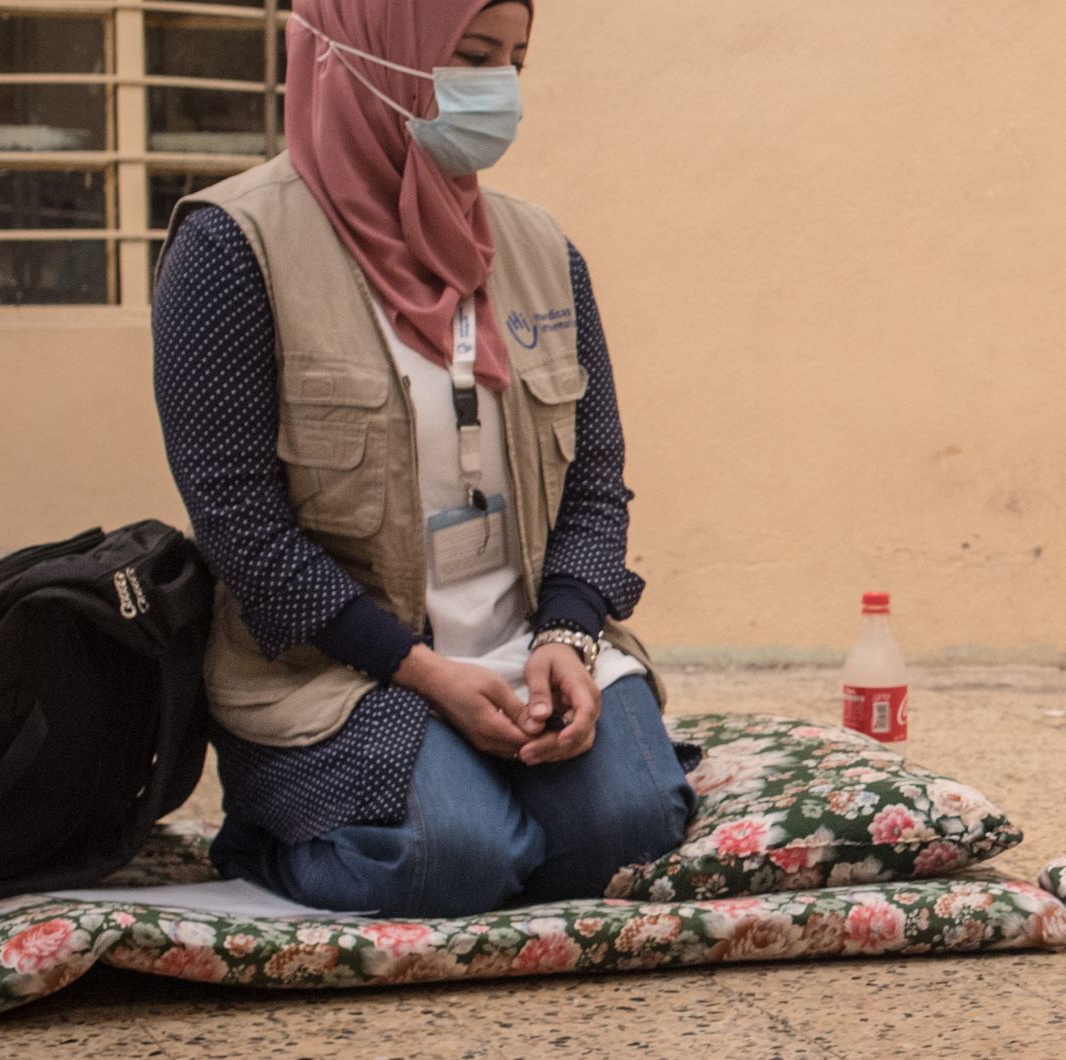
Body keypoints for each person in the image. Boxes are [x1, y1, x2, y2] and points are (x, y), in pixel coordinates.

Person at [150, 0, 689, 918]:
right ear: (365, 53)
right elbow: (239, 524)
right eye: (472, 57)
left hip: (526, 642)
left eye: (516, 61)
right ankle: (273, 836)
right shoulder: (232, 247)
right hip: (342, 668)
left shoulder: (541, 250)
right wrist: (424, 671)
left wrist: (566, 633)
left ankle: (505, 790)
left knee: (627, 837)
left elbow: (596, 481)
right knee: (452, 859)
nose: (500, 91)